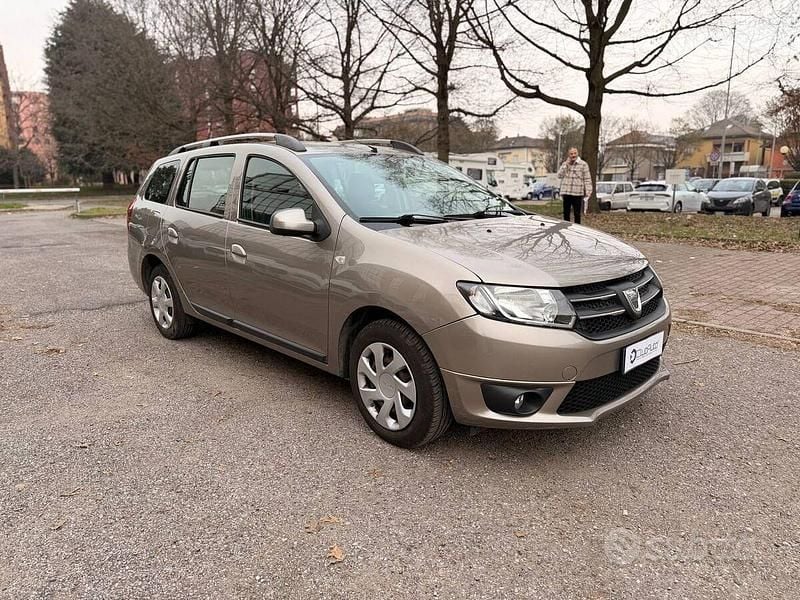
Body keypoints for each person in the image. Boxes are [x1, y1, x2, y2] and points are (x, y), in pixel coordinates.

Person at [557, 147, 593, 224]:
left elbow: (587, 179)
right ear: (568, 154)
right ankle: (565, 228)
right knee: (566, 213)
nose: (573, 155)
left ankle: (577, 229)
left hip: (577, 193)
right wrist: (566, 165)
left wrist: (588, 191)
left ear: (577, 153)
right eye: (571, 153)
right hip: (566, 192)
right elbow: (559, 175)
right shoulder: (565, 164)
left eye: (575, 153)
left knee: (577, 214)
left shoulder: (583, 164)